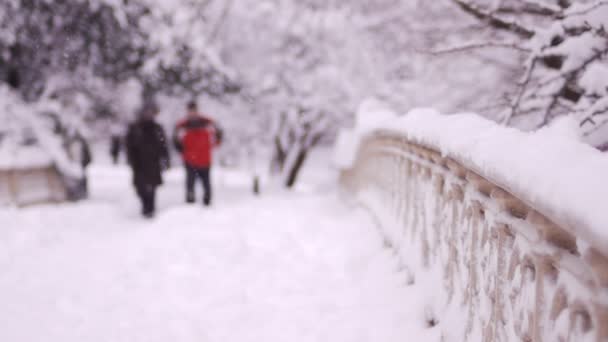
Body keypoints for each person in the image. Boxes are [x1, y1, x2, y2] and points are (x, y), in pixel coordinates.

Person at [173, 100, 222, 206]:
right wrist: (182, 151)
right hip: (190, 160)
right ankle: (190, 204)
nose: (192, 113)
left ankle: (207, 204)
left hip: (205, 159)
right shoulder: (182, 125)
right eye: (190, 110)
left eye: (194, 110)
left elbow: (218, 135)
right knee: (190, 184)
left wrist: (215, 144)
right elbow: (176, 141)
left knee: (206, 184)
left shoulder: (208, 122)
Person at [126, 103, 170, 218]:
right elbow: (129, 146)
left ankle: (150, 210)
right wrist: (131, 160)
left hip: (153, 164)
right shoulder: (135, 128)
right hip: (139, 164)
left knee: (152, 188)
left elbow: (164, 146)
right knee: (140, 188)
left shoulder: (157, 128)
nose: (148, 115)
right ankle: (145, 206)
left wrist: (165, 160)